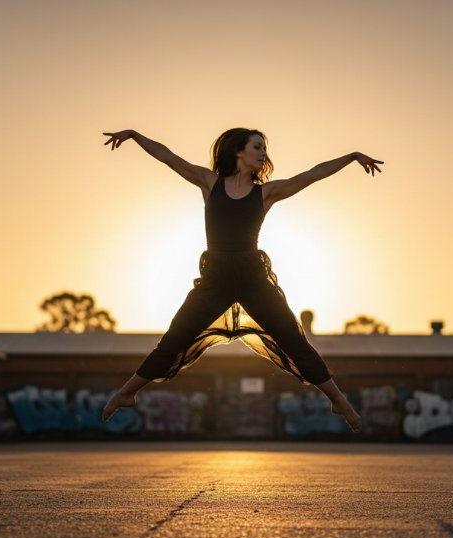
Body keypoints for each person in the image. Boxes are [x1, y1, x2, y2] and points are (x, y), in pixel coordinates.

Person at [100, 128, 383, 432]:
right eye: (257, 146)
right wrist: (133, 135)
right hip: (216, 278)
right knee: (174, 338)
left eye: (264, 148)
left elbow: (312, 174)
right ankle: (127, 392)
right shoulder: (210, 183)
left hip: (252, 277)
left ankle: (338, 400)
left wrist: (352, 156)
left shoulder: (266, 193)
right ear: (239, 151)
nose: (263, 153)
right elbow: (168, 157)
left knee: (294, 339)